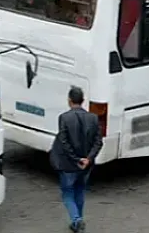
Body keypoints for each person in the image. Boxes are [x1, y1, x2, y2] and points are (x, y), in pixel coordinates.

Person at [50, 86, 103, 232]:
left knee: (68, 192)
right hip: (86, 165)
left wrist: (76, 159)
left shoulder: (64, 118)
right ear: (83, 100)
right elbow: (98, 141)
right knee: (80, 190)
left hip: (69, 165)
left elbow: (64, 142)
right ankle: (77, 222)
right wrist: (88, 159)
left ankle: (76, 219)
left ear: (69, 100)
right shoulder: (93, 118)